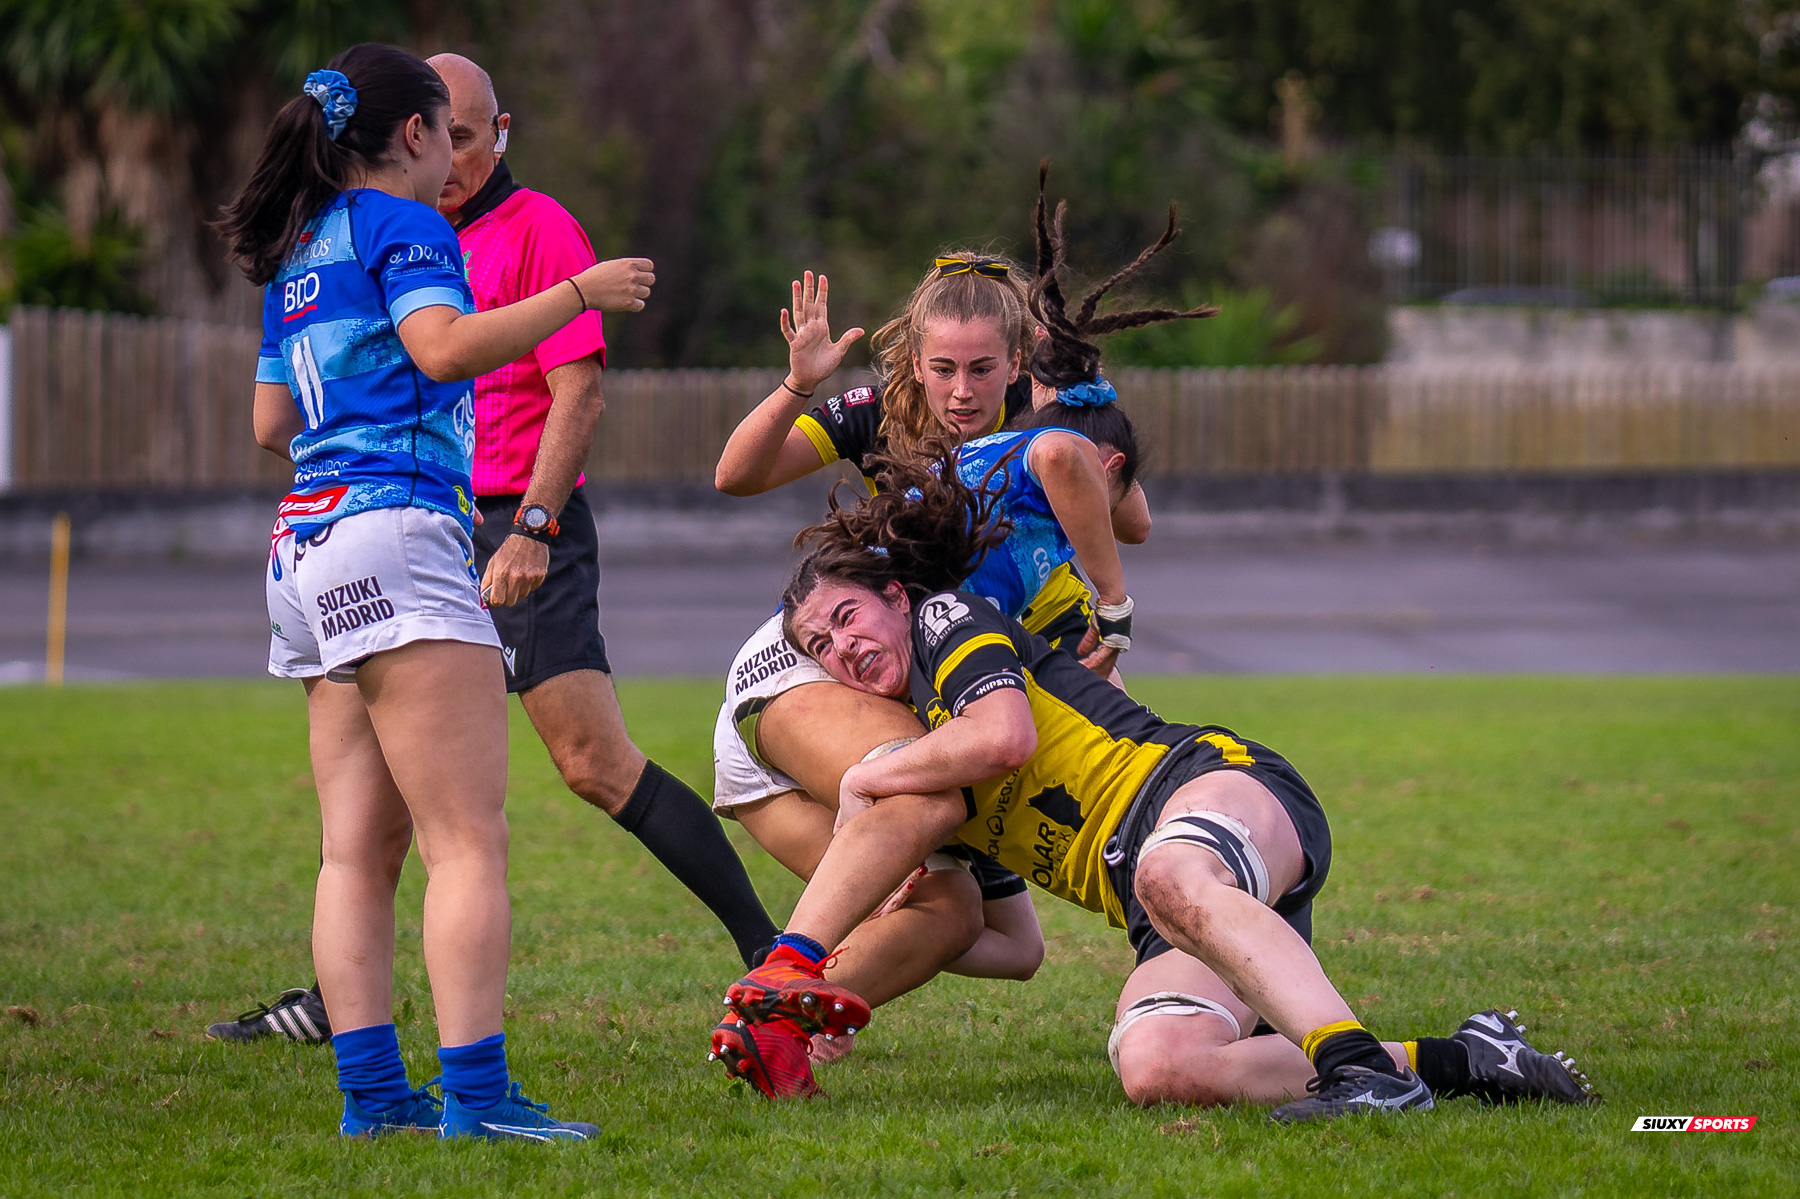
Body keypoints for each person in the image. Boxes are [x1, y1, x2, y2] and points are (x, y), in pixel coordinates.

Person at [713, 439, 1597, 1121]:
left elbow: (1006, 736)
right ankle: (1466, 1059)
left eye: (846, 616)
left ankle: (1362, 1074)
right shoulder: (919, 749)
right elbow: (1010, 940)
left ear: (897, 598)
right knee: (1160, 1067)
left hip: (1210, 788)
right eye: (821, 648)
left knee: (1166, 870)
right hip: (1166, 903)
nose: (843, 646)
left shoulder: (948, 619)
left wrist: (865, 785)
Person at [208, 53, 779, 1049]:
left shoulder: (525, 228)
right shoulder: (396, 231)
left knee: (586, 763)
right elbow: (434, 355)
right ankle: (384, 1030)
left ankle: (768, 954)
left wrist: (533, 528)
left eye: (474, 136)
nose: (459, 156)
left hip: (483, 520)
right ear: (415, 134)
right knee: (425, 814)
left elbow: (578, 391)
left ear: (499, 131)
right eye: (446, 134)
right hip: (413, 520)